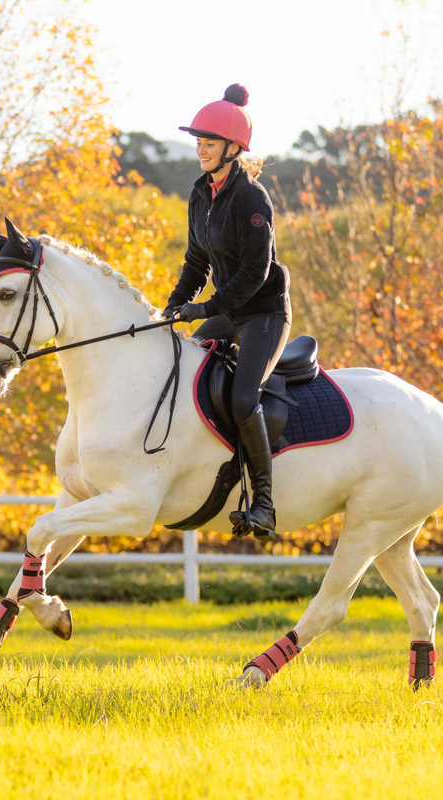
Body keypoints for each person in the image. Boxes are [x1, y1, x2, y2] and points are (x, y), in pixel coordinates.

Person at [162, 84, 291, 542]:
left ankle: (264, 503)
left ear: (234, 149)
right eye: (198, 140)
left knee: (240, 398)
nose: (200, 148)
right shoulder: (201, 193)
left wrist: (207, 307)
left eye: (209, 142)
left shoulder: (251, 199)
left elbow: (256, 272)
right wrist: (174, 306)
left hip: (263, 313)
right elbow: (196, 263)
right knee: (180, 369)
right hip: (228, 310)